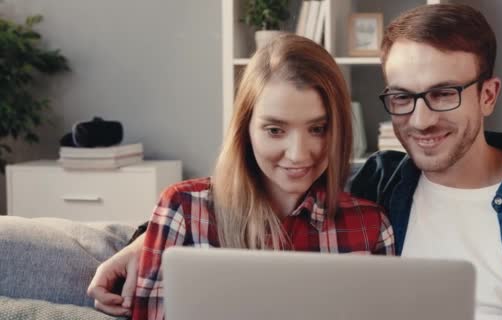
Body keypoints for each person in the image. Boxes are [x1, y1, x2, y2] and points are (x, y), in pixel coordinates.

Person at [89, 4, 502, 320]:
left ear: (488, 94)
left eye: (445, 93)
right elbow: (256, 194)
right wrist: (139, 240)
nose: (421, 120)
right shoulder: (379, 184)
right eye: (403, 97)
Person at [87, 34, 395, 319]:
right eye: (275, 130)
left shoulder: (370, 225)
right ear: (244, 130)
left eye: (318, 129)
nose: (299, 154)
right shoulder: (184, 210)